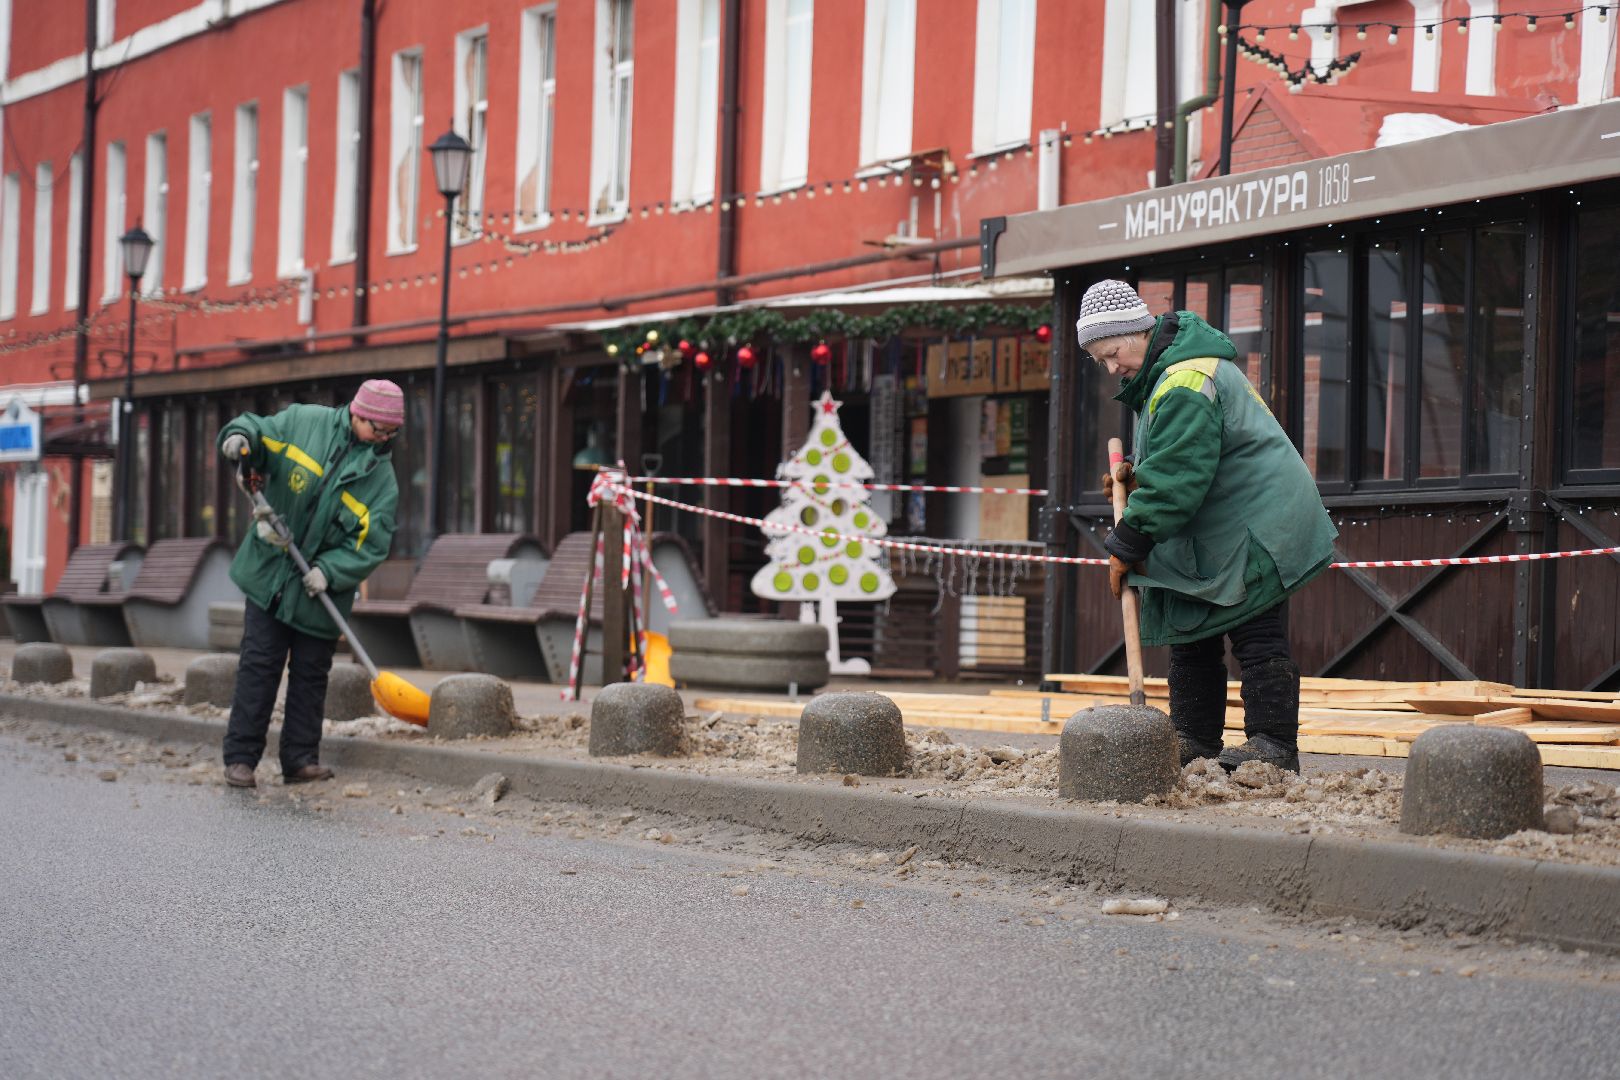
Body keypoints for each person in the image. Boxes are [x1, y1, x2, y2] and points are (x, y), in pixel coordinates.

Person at [1075, 280, 1337, 773]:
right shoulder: (1167, 374)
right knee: (1191, 631)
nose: (1111, 369)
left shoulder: (1185, 381)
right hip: (1221, 525)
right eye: (1100, 361)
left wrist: (1127, 542)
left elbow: (1178, 478)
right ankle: (1194, 739)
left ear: (1137, 332)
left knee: (1257, 633)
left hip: (1257, 523)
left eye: (1111, 354)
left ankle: (1273, 747)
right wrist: (1139, 476)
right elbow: (1180, 459)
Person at [217, 379, 403, 788]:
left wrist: (330, 571)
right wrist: (239, 438)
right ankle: (241, 758)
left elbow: (371, 544)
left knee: (311, 674)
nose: (383, 439)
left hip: (321, 592)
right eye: (378, 429)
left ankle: (300, 759)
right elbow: (258, 433)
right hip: (270, 574)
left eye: (391, 433)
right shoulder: (305, 423)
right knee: (259, 666)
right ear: (357, 413)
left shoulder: (382, 482)